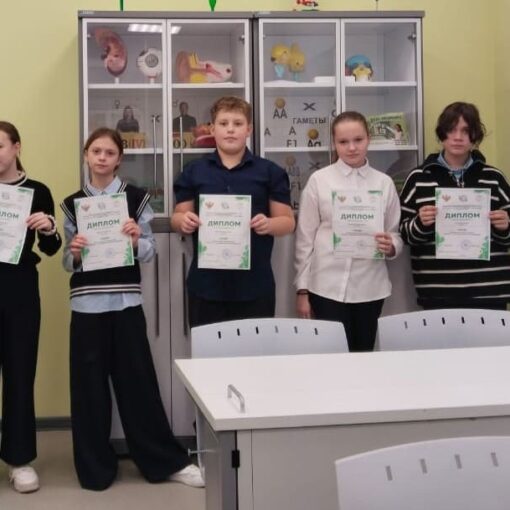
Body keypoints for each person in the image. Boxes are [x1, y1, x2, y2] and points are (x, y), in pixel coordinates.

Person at [61, 127, 203, 491]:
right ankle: (94, 469)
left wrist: (137, 240)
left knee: (138, 384)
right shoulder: (74, 204)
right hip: (87, 305)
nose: (102, 158)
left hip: (126, 302)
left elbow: (150, 252)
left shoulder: (136, 199)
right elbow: (66, 262)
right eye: (96, 151)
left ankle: (163, 461)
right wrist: (75, 252)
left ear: (119, 159)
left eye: (109, 152)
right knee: (89, 390)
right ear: (86, 155)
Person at [171, 96, 295, 328]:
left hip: (254, 286)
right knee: (207, 351)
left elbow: (287, 222)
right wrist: (183, 221)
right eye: (223, 123)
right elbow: (177, 217)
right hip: (206, 286)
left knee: (253, 351)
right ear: (212, 129)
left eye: (238, 124)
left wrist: (269, 224)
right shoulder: (193, 171)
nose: (230, 129)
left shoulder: (270, 172)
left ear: (249, 129)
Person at [294, 111, 402, 352]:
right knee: (331, 357)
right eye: (343, 142)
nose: (352, 148)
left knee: (363, 355)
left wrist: (391, 245)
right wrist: (302, 289)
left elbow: (394, 233)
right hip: (325, 288)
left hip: (370, 288)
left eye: (358, 140)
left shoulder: (383, 183)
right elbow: (304, 240)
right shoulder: (319, 180)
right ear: (334, 143)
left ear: (368, 139)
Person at [399, 101, 510, 310]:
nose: (458, 137)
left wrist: (505, 226)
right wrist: (421, 223)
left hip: (489, 291)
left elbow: (507, 235)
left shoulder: (494, 178)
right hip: (437, 293)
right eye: (451, 130)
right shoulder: (418, 178)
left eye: (466, 131)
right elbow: (403, 234)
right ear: (442, 133)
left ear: (475, 135)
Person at [0, 121, 62, 492]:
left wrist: (49, 228)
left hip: (19, 290)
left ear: (16, 148)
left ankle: (19, 459)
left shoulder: (37, 191)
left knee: (20, 373)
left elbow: (51, 249)